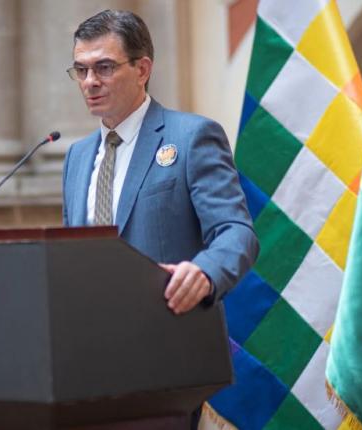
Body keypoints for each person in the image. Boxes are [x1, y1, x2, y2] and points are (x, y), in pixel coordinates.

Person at [62, 9, 258, 316]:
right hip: (92, 330)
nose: (90, 82)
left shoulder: (191, 137)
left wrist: (204, 272)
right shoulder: (77, 157)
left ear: (142, 70)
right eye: (81, 70)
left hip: (168, 325)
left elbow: (236, 231)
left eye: (104, 67)